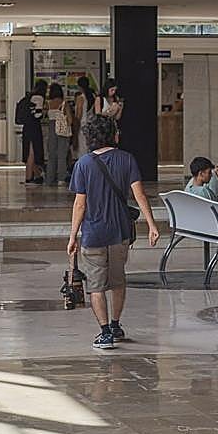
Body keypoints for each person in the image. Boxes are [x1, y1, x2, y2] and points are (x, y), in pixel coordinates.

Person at [67, 114, 160, 349]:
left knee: (96, 285)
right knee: (118, 281)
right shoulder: (127, 160)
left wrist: (72, 236)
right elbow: (140, 195)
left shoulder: (83, 164)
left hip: (93, 234)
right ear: (112, 134)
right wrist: (151, 224)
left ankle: (105, 331)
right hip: (120, 233)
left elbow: (80, 204)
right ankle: (117, 325)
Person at [15, 80, 47, 185]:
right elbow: (37, 115)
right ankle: (31, 177)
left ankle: (32, 176)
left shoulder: (28, 97)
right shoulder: (39, 98)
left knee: (29, 151)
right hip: (34, 127)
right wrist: (44, 112)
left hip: (27, 127)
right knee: (33, 152)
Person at [44, 82, 74, 187]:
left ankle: (49, 178)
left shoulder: (48, 103)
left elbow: (46, 118)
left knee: (51, 155)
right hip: (62, 131)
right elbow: (70, 120)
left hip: (52, 130)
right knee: (62, 155)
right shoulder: (64, 103)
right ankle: (61, 178)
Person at [75, 75, 97, 157]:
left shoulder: (80, 98)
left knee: (82, 148)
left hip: (82, 126)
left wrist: (75, 127)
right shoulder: (93, 96)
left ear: (79, 86)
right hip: (92, 124)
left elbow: (79, 115)